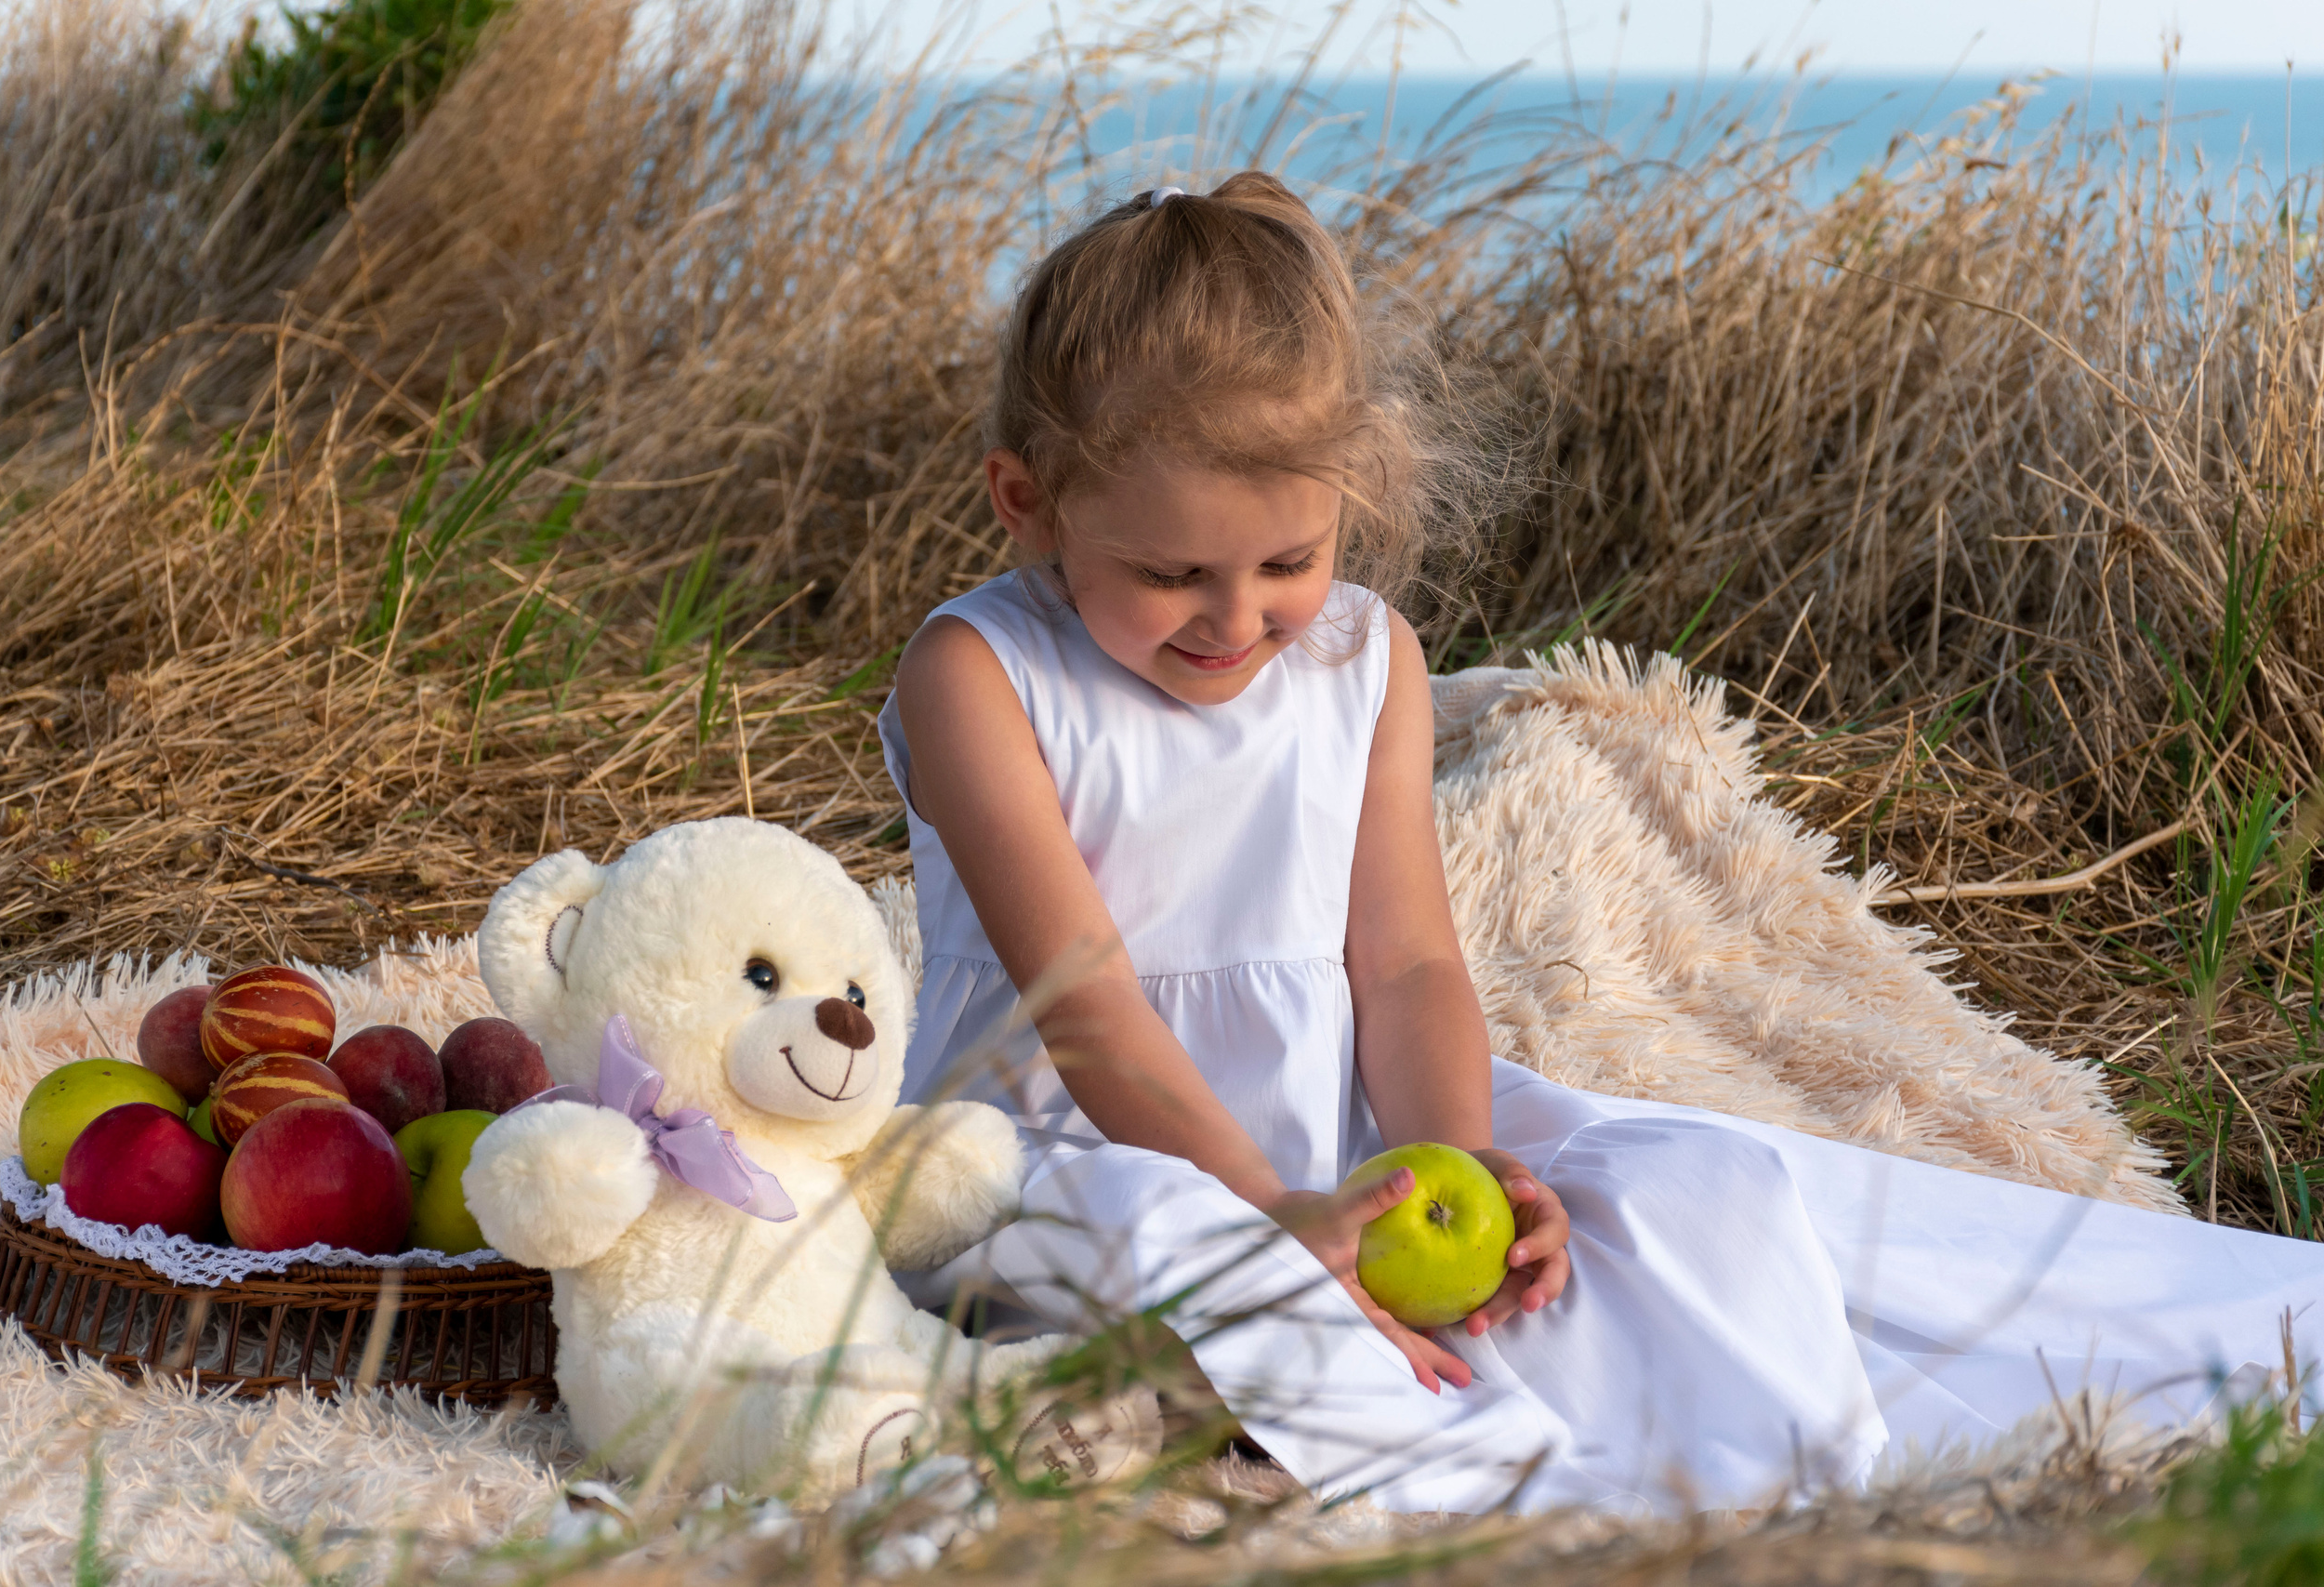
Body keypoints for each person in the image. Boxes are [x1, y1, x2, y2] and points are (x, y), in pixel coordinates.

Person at [875, 172, 2324, 1515]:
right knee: (1168, 1252)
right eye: (1170, 573)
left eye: (1289, 563)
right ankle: (1418, 1456)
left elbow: (1407, 963)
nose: (1239, 618)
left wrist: (1461, 1166)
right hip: (1075, 1140)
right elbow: (1091, 1009)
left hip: (1350, 1144)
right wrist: (1272, 1218)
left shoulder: (1366, 661)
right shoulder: (983, 676)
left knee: (1707, 1191)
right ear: (1030, 503)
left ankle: (1718, 1462)